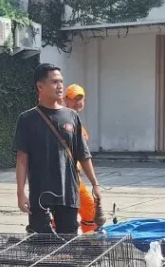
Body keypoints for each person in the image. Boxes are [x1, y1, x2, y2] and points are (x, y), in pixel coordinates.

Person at [14, 64, 103, 234]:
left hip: (68, 193)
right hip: (40, 195)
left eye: (61, 81)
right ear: (40, 86)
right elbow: (22, 159)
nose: (60, 86)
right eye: (54, 82)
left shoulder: (71, 116)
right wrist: (20, 193)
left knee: (68, 244)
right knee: (42, 246)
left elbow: (83, 155)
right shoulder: (27, 119)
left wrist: (95, 184)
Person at [63, 83, 99, 232]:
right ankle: (55, 242)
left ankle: (89, 240)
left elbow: (83, 154)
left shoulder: (76, 121)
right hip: (63, 176)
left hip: (75, 176)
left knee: (89, 207)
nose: (78, 102)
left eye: (81, 99)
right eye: (74, 99)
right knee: (66, 212)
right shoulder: (63, 120)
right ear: (66, 100)